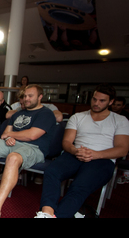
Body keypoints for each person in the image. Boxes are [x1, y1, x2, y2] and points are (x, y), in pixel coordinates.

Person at [36, 84, 129, 218]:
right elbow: (67, 142)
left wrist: (95, 154)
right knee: (52, 172)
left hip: (102, 159)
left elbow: (122, 150)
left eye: (102, 101)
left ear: (111, 101)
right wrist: (75, 151)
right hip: (76, 154)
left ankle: (59, 215)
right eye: (94, 99)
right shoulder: (78, 116)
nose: (96, 103)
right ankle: (46, 213)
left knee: (80, 185)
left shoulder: (120, 120)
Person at [0, 84, 56, 218]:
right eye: (25, 96)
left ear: (40, 97)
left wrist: (12, 135)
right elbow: (5, 133)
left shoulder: (46, 113)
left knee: (13, 158)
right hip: (10, 144)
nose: (26, 99)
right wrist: (9, 136)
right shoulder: (19, 113)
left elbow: (32, 135)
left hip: (33, 147)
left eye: (30, 96)